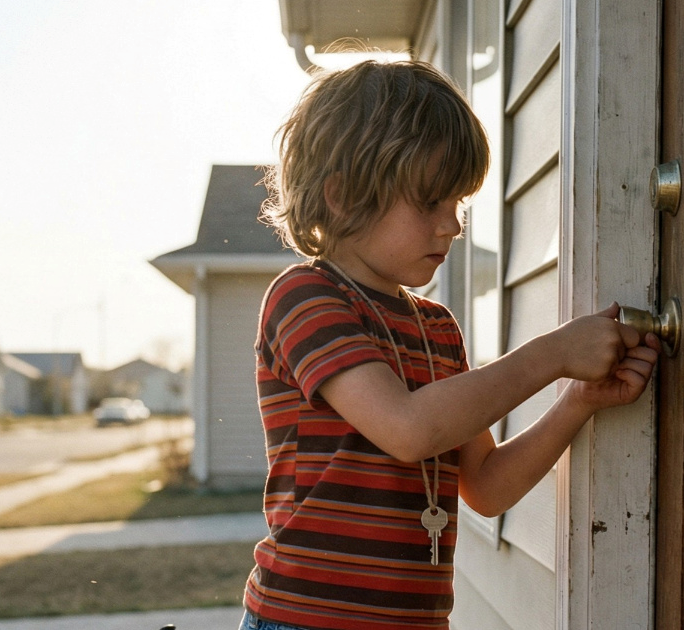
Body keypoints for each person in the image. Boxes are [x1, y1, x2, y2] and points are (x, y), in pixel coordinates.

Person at [241, 59, 660, 630]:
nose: (453, 225)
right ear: (341, 196)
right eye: (431, 202)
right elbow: (408, 429)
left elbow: (485, 486)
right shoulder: (306, 298)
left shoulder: (436, 330)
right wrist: (551, 353)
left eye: (459, 204)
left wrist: (578, 400)